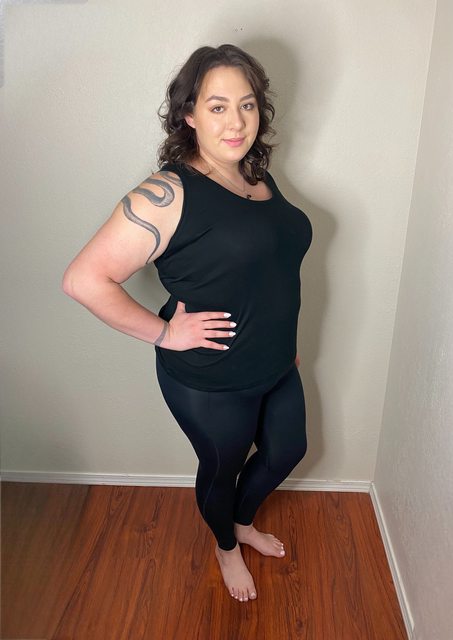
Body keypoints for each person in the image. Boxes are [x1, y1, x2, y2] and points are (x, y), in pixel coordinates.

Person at [62, 43, 312, 604]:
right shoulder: (166, 193)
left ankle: (242, 524)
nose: (236, 122)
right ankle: (226, 546)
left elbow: (269, 269)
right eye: (218, 106)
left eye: (247, 105)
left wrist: (283, 339)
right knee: (222, 472)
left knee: (286, 451)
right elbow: (83, 279)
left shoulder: (256, 177)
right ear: (190, 114)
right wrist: (166, 333)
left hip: (276, 362)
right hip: (210, 379)